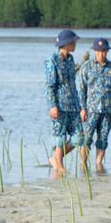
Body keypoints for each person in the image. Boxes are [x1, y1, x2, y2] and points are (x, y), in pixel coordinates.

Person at [78, 36, 111, 172]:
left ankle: (98, 165)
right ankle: (83, 166)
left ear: (107, 51)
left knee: (103, 139)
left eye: (104, 51)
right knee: (87, 138)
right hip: (91, 110)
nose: (101, 54)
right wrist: (83, 109)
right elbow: (82, 89)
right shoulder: (87, 67)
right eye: (98, 51)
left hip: (107, 110)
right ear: (95, 51)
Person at [45, 28, 82, 177]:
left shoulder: (71, 59)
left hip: (73, 105)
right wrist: (52, 105)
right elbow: (50, 85)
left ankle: (55, 159)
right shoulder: (52, 60)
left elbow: (72, 83)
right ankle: (59, 167)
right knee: (59, 137)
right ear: (67, 42)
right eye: (74, 40)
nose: (75, 43)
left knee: (78, 137)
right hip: (59, 106)